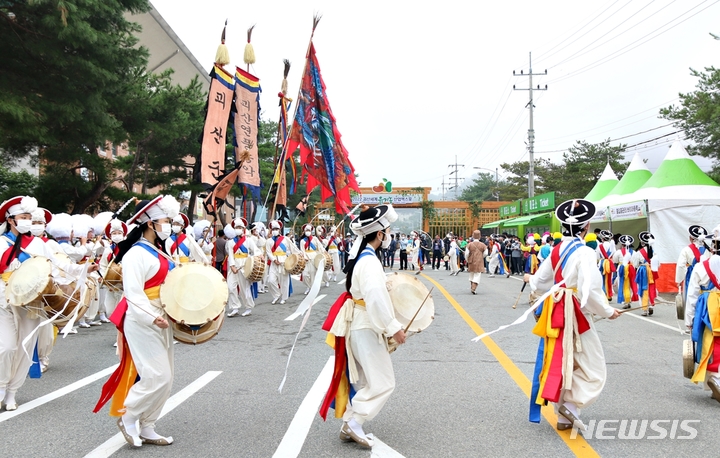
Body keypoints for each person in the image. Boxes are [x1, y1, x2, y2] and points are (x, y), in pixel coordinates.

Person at [527, 198, 620, 431]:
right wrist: (608, 312)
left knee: (561, 358)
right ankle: (571, 404)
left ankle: (564, 415)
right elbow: (592, 290)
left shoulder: (556, 250)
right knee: (592, 364)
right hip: (576, 310)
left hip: (555, 309)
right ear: (586, 226)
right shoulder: (586, 253)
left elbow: (539, 282)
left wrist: (534, 283)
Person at [94, 195, 179, 447]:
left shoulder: (160, 251)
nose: (170, 225)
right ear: (151, 223)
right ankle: (128, 416)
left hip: (162, 318)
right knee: (156, 375)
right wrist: (152, 317)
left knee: (167, 377)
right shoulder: (135, 254)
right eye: (166, 221)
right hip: (143, 320)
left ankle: (148, 425)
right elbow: (133, 294)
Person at [320, 204, 405, 448]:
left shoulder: (363, 257)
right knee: (383, 381)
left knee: (365, 379)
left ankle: (350, 422)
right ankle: (354, 422)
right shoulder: (369, 262)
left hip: (358, 323)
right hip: (366, 325)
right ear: (379, 234)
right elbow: (376, 298)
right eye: (387, 231)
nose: (389, 235)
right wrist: (393, 328)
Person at [1, 196, 94, 411]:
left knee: (24, 347)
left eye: (29, 218)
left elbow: (57, 265)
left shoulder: (36, 244)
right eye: (23, 217)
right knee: (5, 347)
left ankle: (12, 391)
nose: (27, 222)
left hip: (30, 302)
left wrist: (82, 270)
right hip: (3, 300)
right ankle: (1, 387)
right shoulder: (0, 242)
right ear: (10, 219)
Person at [685, 227, 720, 401]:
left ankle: (713, 380)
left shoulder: (701, 265)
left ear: (713, 244)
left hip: (709, 308)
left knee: (709, 342)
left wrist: (689, 320)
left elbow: (691, 295)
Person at [225, 218, 257, 317]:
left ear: (243, 229)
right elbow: (230, 255)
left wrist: (258, 256)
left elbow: (255, 250)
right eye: (236, 227)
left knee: (245, 288)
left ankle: (248, 307)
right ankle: (235, 307)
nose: (238, 229)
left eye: (240, 227)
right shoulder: (230, 242)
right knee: (231, 287)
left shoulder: (249, 240)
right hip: (233, 266)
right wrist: (232, 266)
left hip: (244, 265)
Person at [676, 225, 712, 305]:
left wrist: (679, 279)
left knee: (691, 297)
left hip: (692, 275)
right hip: (706, 276)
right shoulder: (709, 250)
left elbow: (681, 265)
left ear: (691, 238)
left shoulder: (686, 250)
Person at [266, 220, 292, 305]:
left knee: (284, 281)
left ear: (280, 230)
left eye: (276, 229)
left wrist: (299, 255)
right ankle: (276, 295)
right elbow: (268, 252)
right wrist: (273, 259)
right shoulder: (269, 241)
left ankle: (284, 297)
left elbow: (293, 248)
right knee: (271, 280)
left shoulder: (285, 239)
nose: (275, 230)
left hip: (283, 261)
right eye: (273, 229)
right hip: (274, 263)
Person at [632, 231, 657, 316]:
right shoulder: (654, 252)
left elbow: (635, 264)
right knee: (651, 287)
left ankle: (644, 309)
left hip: (642, 270)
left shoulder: (639, 252)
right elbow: (658, 264)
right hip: (651, 270)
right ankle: (651, 306)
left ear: (642, 242)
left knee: (643, 288)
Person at [612, 235, 638, 310]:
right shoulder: (634, 252)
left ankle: (627, 301)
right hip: (631, 268)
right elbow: (636, 263)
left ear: (622, 244)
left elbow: (615, 261)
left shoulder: (618, 252)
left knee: (624, 285)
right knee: (631, 284)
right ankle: (629, 299)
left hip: (622, 268)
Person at [596, 230, 616, 301]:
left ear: (602, 238)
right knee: (609, 279)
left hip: (602, 262)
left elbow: (597, 256)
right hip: (609, 262)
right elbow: (614, 254)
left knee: (602, 280)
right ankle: (609, 295)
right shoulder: (612, 246)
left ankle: (603, 294)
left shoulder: (600, 246)